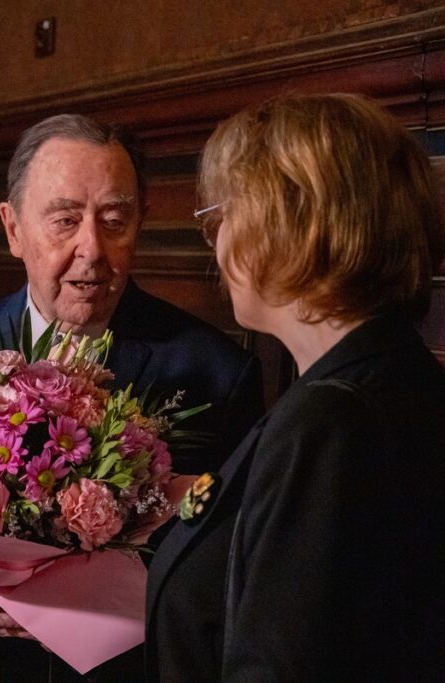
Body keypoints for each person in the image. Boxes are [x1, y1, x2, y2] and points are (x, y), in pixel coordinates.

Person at [0, 114, 265, 682]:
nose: (91, 248)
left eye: (114, 220)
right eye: (65, 220)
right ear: (13, 228)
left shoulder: (214, 373)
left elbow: (229, 570)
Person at [145, 93, 445, 680]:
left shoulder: (331, 419)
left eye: (224, 215)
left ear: (289, 226)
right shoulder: (390, 377)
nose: (217, 241)